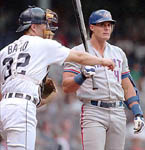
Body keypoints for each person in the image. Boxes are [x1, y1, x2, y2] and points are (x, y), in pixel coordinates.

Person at [0, 6, 115, 150]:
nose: (47, 28)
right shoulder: (42, 44)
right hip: (22, 107)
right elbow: (78, 56)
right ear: (33, 27)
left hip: (4, 106)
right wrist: (102, 61)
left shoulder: (4, 51)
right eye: (44, 24)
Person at [62, 9, 145, 150]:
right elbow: (66, 86)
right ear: (92, 27)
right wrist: (82, 76)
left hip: (118, 111)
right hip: (94, 111)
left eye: (109, 24)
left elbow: (127, 86)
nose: (107, 28)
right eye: (102, 24)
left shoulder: (119, 53)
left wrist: (138, 113)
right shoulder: (78, 52)